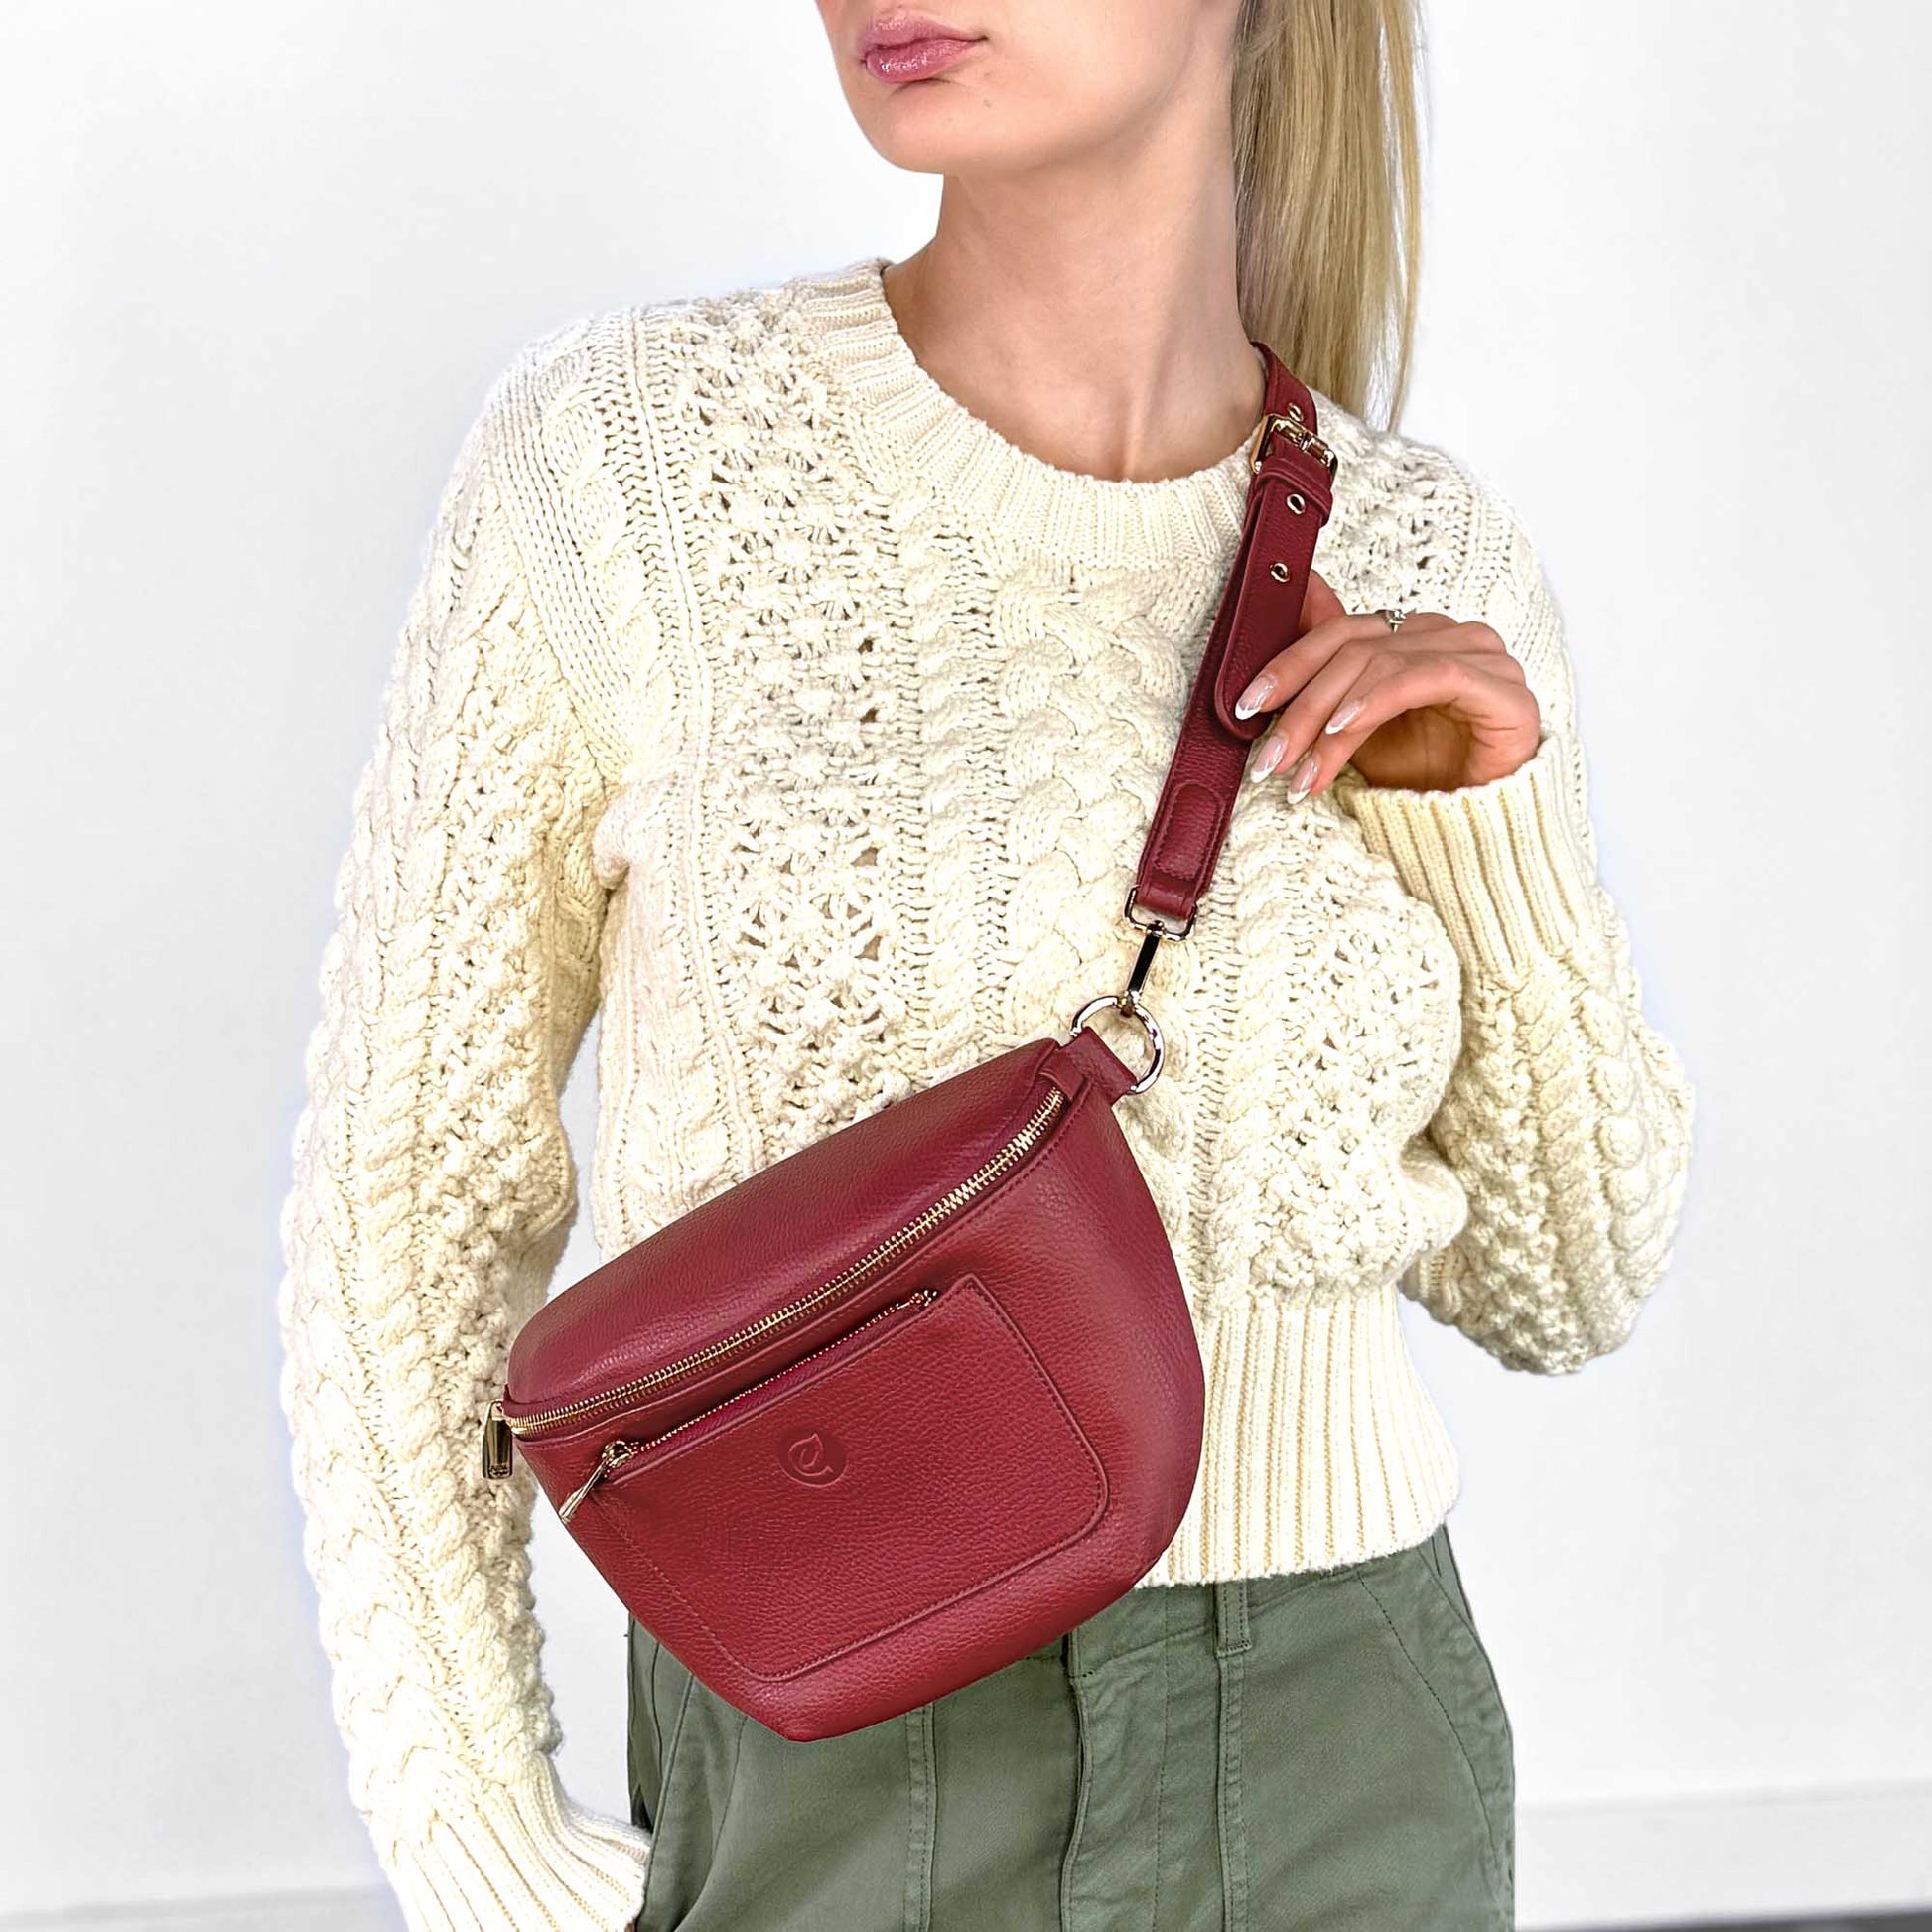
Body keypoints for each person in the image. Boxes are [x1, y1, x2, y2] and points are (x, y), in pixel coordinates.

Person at [275, 1, 1698, 1927]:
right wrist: (477, 1834)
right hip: (829, 1744)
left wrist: (1487, 828)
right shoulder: (633, 462)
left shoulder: (1424, 549)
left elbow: (1568, 1286)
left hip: (1338, 1745)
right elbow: (411, 1192)